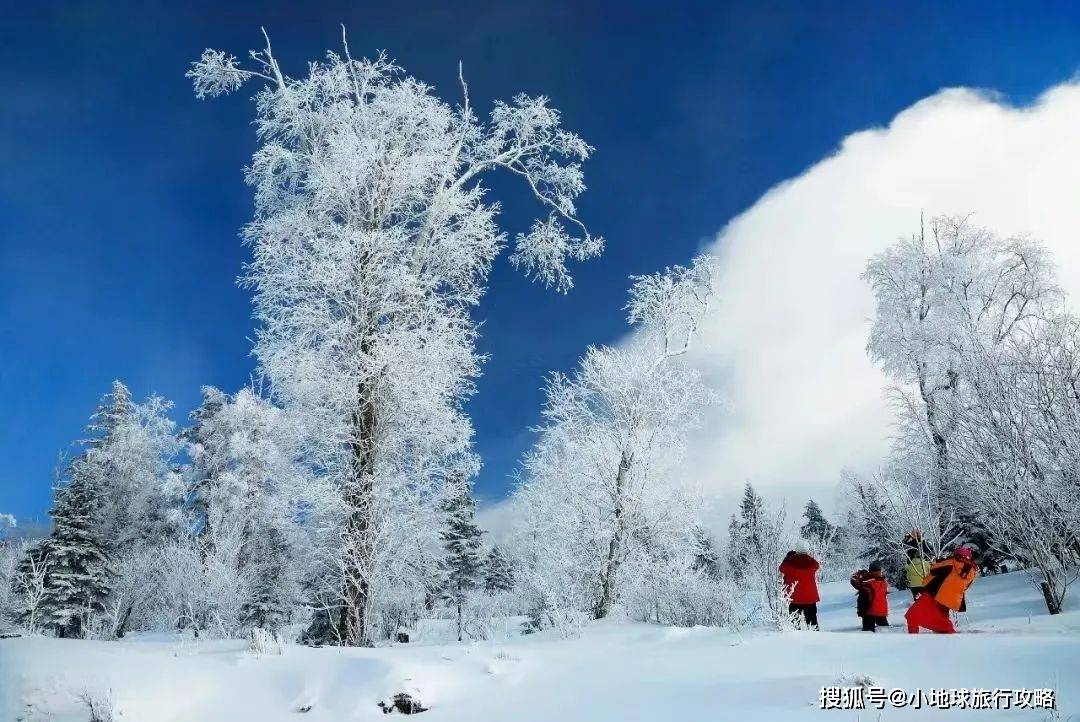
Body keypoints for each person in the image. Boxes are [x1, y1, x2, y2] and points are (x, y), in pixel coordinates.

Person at [905, 546, 978, 634]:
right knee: (942, 619)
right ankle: (946, 637)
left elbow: (933, 569)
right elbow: (966, 587)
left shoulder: (951, 562)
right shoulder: (972, 571)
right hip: (951, 600)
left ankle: (912, 638)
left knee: (912, 614)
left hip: (935, 594)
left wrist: (940, 561)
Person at [779, 546, 820, 629]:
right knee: (812, 622)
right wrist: (809, 556)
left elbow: (781, 568)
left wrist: (787, 558)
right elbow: (817, 565)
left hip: (794, 598)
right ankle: (815, 639)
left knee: (795, 624)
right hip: (810, 598)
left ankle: (796, 640)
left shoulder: (790, 562)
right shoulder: (811, 562)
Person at [850, 562, 890, 632]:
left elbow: (854, 581)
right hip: (883, 612)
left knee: (868, 634)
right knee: (885, 632)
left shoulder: (867, 581)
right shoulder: (884, 582)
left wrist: (858, 573)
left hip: (870, 612)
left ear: (870, 570)